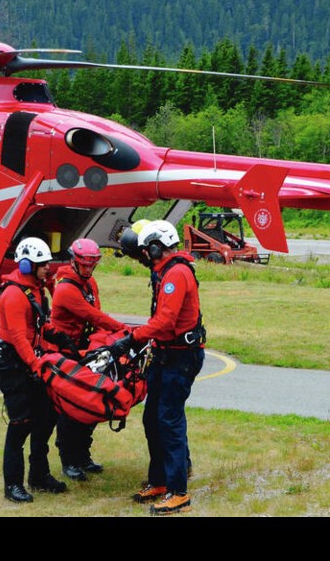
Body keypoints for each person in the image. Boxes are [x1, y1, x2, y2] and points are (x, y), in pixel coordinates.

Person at [111, 219, 205, 515]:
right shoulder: (164, 272)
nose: (144, 256)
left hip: (180, 357)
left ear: (156, 247)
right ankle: (160, 480)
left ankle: (179, 493)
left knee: (168, 420)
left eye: (147, 250)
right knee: (153, 419)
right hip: (167, 355)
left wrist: (131, 339)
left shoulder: (176, 274)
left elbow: (165, 321)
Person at [46, 238, 131, 482]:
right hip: (64, 353)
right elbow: (94, 316)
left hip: (83, 351)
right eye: (84, 265)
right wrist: (125, 331)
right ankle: (68, 460)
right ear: (74, 261)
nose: (88, 269)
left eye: (91, 265)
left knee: (91, 404)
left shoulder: (89, 283)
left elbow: (96, 316)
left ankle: (82, 456)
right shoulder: (65, 289)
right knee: (71, 409)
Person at [0, 236, 68, 503]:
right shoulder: (13, 294)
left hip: (29, 360)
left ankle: (39, 475)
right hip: (14, 363)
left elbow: (35, 325)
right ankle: (12, 484)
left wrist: (56, 336)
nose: (49, 268)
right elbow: (17, 336)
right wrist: (36, 365)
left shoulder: (34, 289)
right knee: (20, 423)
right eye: (43, 264)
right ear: (26, 265)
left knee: (46, 417)